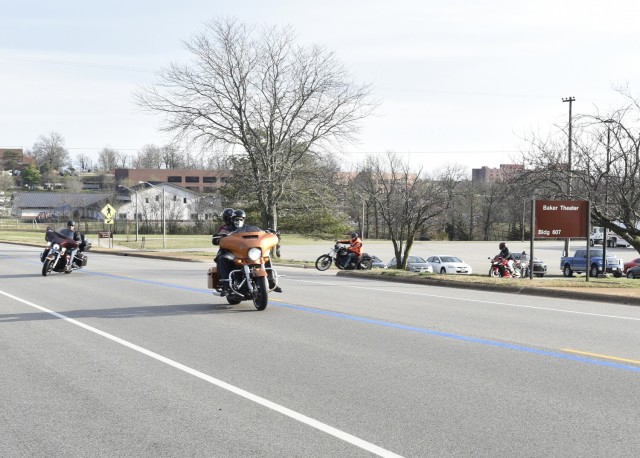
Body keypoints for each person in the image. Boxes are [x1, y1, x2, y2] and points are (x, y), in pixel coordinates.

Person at [212, 209, 237, 296]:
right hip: (227, 251)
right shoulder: (224, 228)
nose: (230, 220)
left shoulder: (243, 228)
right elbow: (218, 238)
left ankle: (270, 280)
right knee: (222, 259)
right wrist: (219, 237)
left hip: (242, 251)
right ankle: (225, 286)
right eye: (228, 218)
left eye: (232, 218)